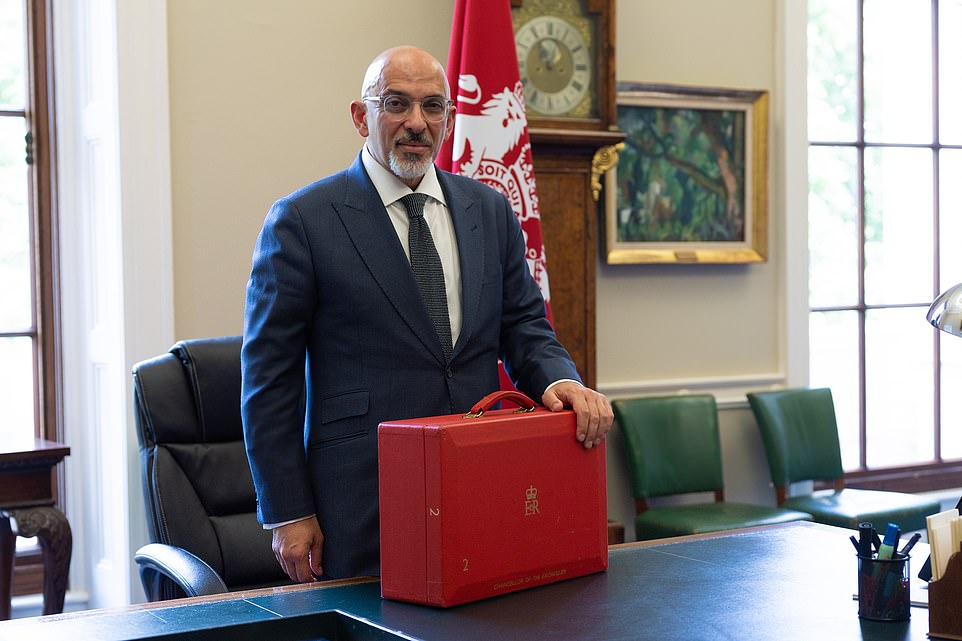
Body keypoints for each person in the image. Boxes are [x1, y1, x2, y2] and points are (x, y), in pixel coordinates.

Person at [241, 45, 613, 584]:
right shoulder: (302, 221)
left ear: (449, 118)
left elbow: (526, 327)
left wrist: (561, 379)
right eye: (396, 103)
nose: (416, 123)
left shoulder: (489, 210)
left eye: (433, 106)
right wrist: (287, 511)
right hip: (362, 502)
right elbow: (268, 382)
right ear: (360, 116)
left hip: (479, 484)